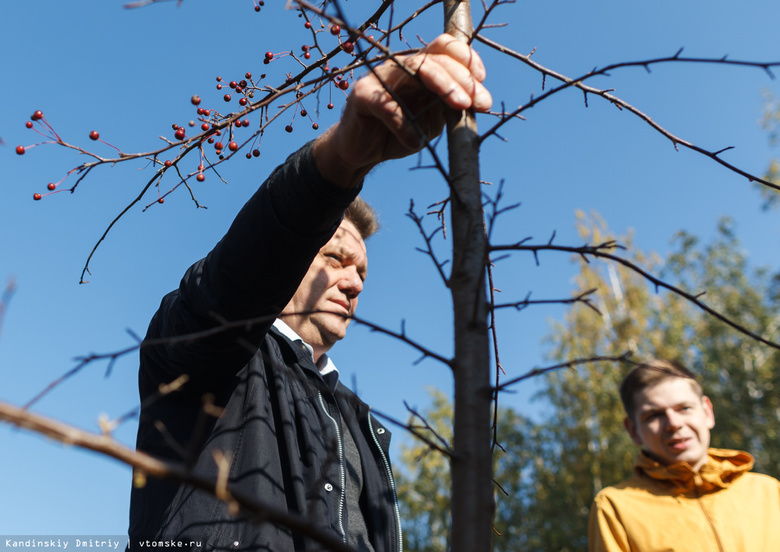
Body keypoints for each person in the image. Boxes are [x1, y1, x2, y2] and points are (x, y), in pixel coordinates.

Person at [128, 34, 492, 551]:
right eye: (336, 259)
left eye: (362, 273)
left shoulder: (361, 423)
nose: (353, 281)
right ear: (298, 257)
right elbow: (227, 286)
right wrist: (340, 161)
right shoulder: (214, 360)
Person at [589, 358, 780, 551]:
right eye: (654, 415)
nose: (674, 423)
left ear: (707, 413)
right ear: (633, 430)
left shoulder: (768, 492)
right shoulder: (615, 508)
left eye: (684, 408)